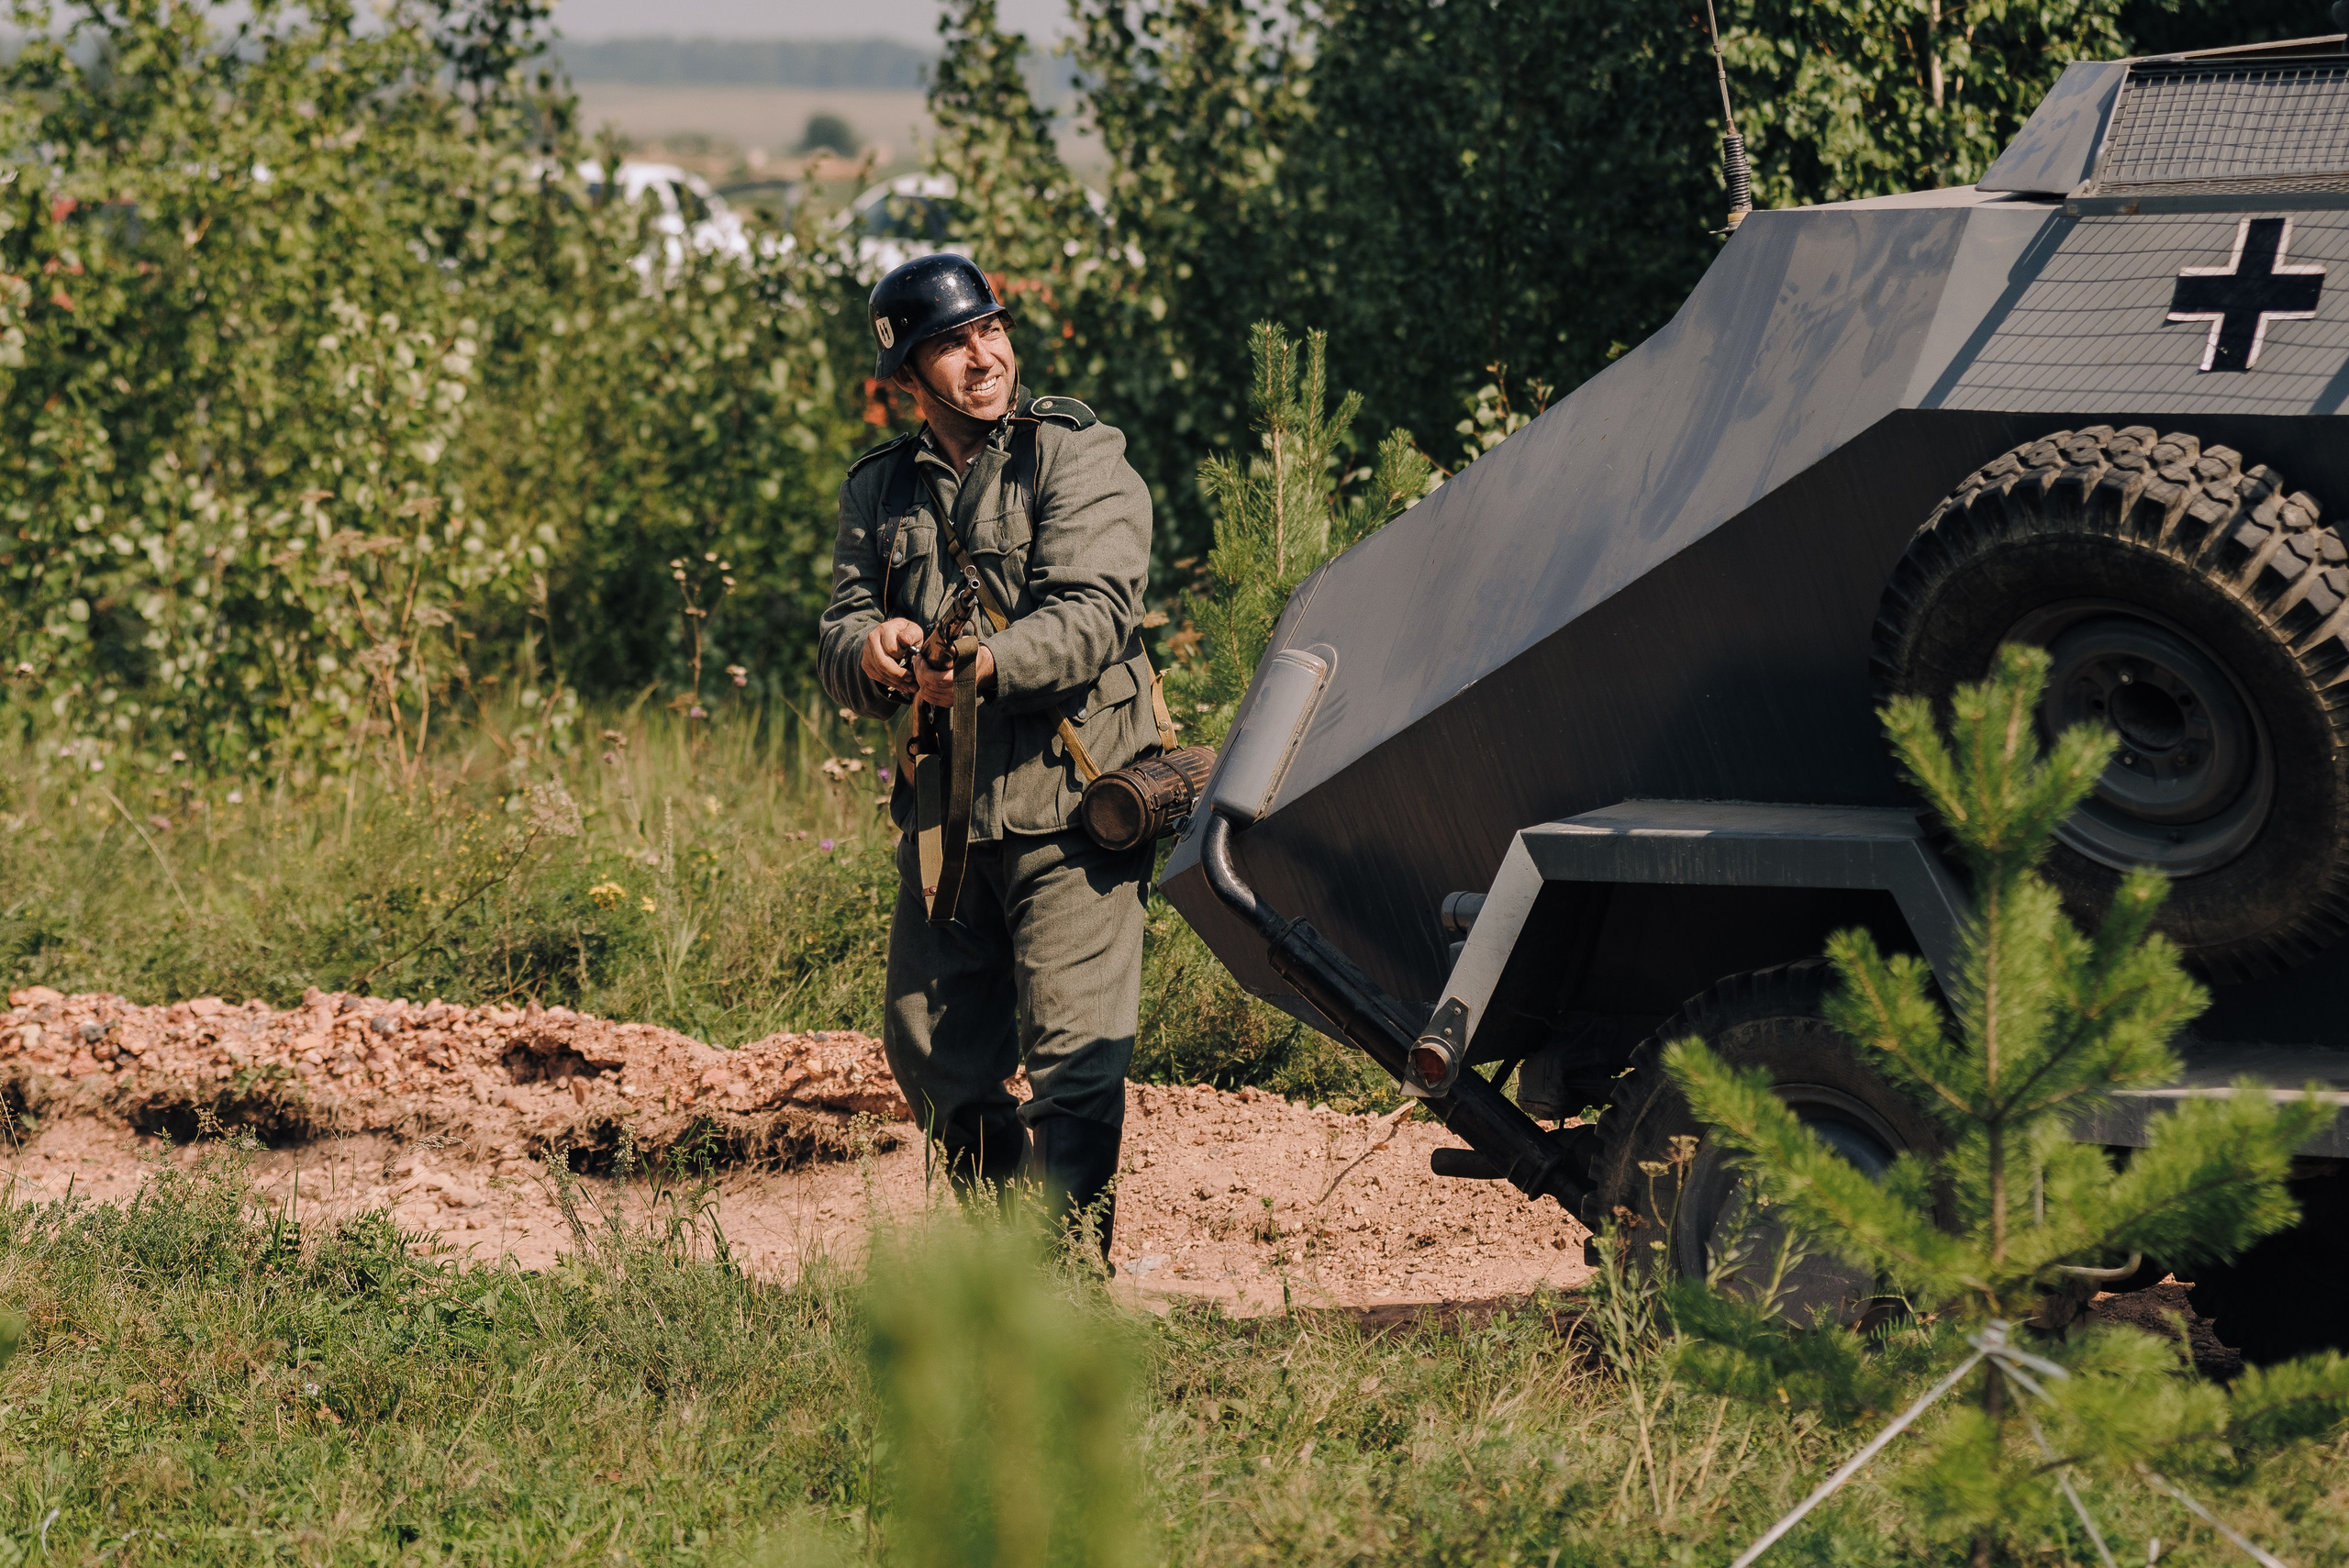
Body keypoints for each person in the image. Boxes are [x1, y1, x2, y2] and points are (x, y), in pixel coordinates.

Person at [818, 253, 1169, 1257]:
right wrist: (875, 651)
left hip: (1071, 805)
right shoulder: (881, 489)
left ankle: (1065, 1284)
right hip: (946, 814)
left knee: (1077, 1063)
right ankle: (1024, 1250)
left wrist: (980, 666)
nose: (982, 357)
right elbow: (839, 632)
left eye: (990, 331)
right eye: (951, 343)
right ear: (907, 373)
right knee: (932, 1055)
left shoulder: (1074, 454)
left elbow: (1097, 613)